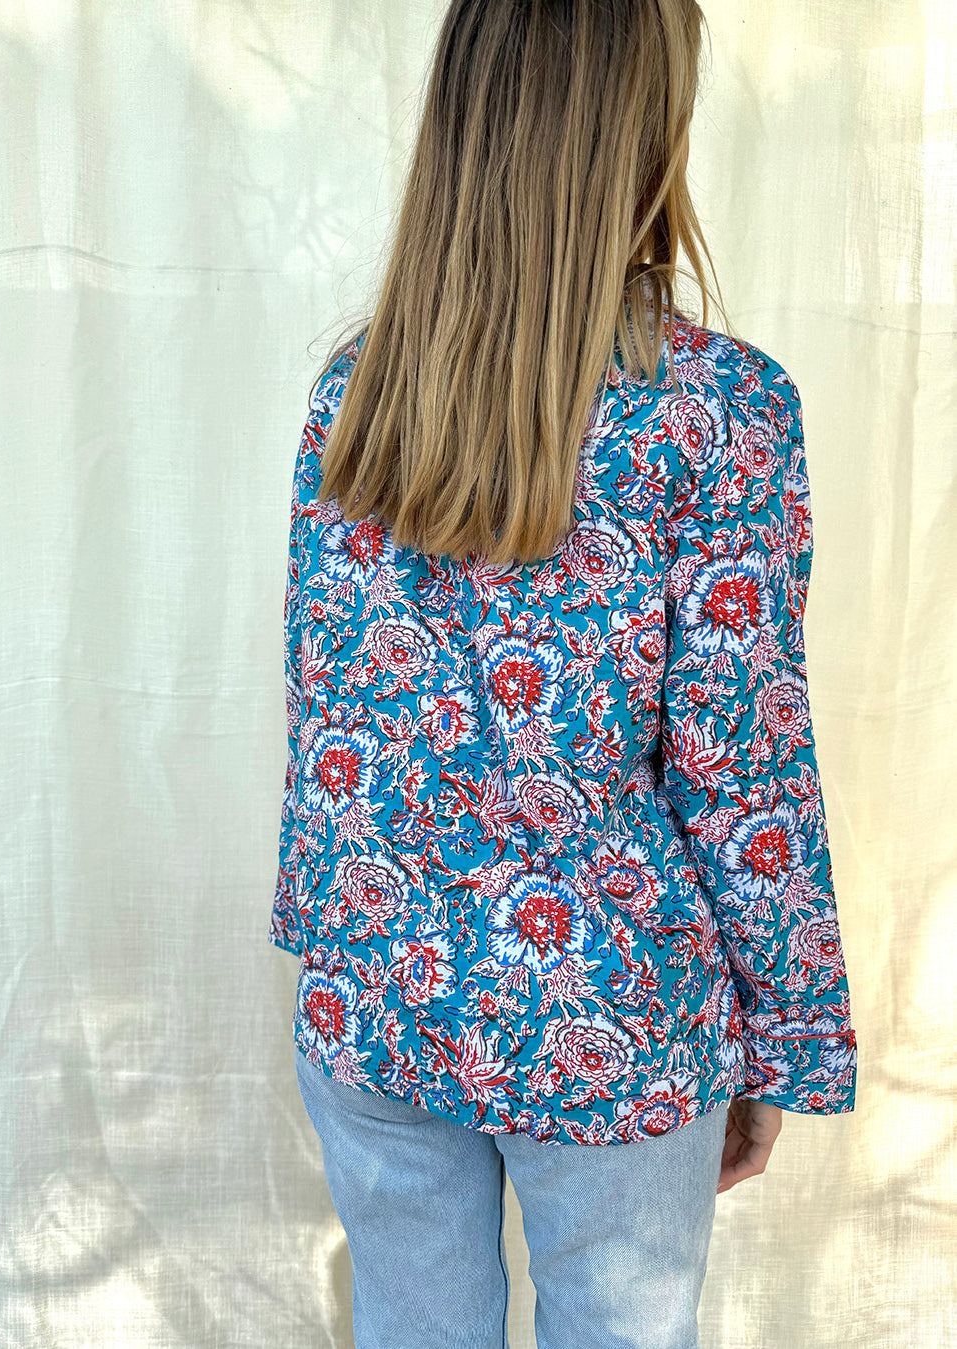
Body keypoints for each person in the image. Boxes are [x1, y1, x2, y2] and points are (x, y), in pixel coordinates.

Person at [269, 2, 858, 1345]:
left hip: (374, 983)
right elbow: (743, 764)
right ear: (646, 132)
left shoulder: (356, 392)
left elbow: (329, 705)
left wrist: (336, 935)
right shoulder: (720, 410)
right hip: (608, 1005)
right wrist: (784, 1036)